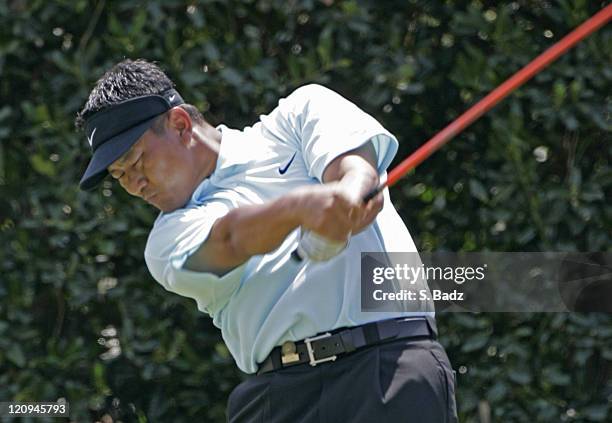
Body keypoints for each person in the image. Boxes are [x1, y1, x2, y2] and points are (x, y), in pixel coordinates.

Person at [76, 59, 458, 422]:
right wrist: (302, 209)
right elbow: (229, 240)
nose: (134, 184)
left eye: (138, 160)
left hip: (389, 368)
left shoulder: (298, 114)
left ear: (179, 125)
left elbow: (357, 169)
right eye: (120, 175)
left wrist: (348, 196)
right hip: (278, 398)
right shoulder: (165, 242)